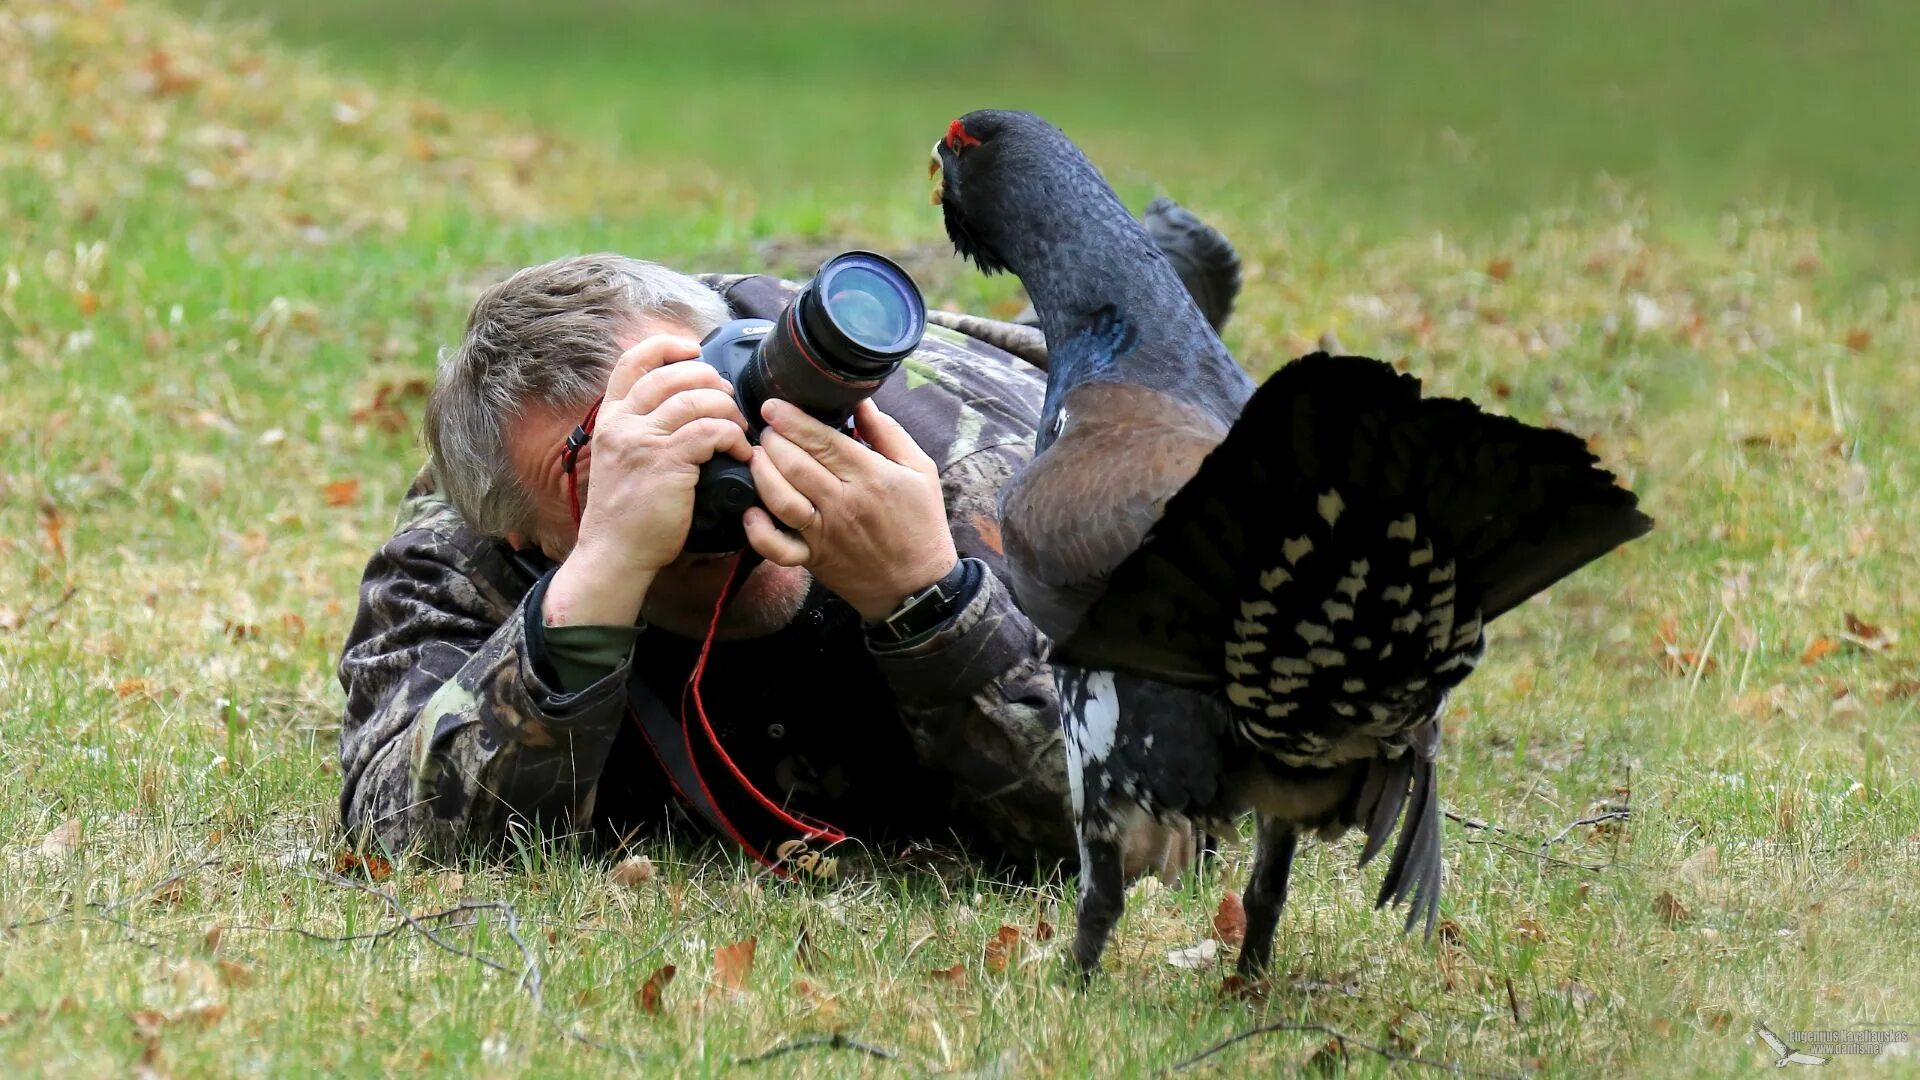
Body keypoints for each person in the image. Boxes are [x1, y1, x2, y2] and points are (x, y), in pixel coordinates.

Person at [336, 218, 1240, 880]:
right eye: (605, 461)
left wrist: (927, 599)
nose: (696, 463)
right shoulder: (464, 537)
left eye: (701, 399)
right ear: (521, 532)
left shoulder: (972, 473)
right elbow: (397, 836)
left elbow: (1165, 826)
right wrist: (599, 577)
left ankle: (1149, 291)